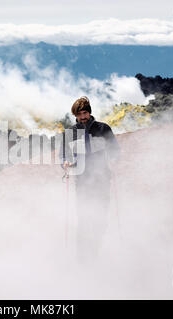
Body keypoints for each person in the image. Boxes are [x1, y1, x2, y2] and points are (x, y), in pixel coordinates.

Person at [59, 96, 120, 262]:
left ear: (90, 112)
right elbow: (63, 153)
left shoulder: (103, 128)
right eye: (79, 114)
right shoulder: (70, 133)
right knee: (84, 219)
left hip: (102, 179)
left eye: (85, 113)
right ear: (75, 116)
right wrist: (64, 162)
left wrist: (114, 158)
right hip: (82, 181)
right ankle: (83, 259)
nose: (83, 117)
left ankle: (97, 251)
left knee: (101, 218)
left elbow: (115, 149)